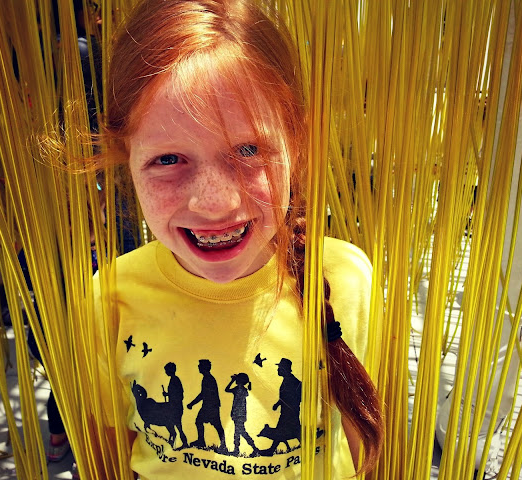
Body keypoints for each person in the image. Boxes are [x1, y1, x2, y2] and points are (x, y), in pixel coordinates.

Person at [91, 0, 384, 477]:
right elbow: (107, 447)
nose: (215, 203)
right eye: (169, 159)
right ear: (125, 155)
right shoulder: (111, 294)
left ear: (296, 144)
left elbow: (363, 433)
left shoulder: (345, 278)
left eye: (248, 150)